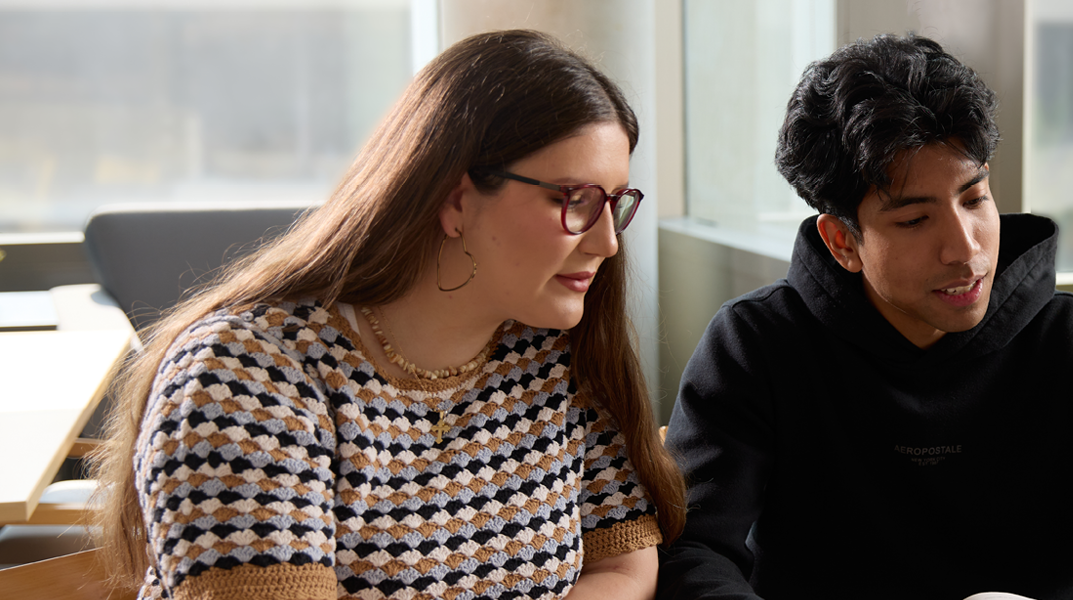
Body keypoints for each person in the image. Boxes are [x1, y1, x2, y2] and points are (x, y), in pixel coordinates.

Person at [657, 34, 1073, 600]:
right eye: (915, 220)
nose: (966, 249)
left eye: (974, 199)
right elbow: (693, 554)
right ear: (842, 240)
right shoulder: (755, 347)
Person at [90, 30, 685, 600]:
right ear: (455, 201)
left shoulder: (550, 352)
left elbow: (625, 561)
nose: (607, 242)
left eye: (614, 202)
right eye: (572, 200)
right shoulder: (242, 378)